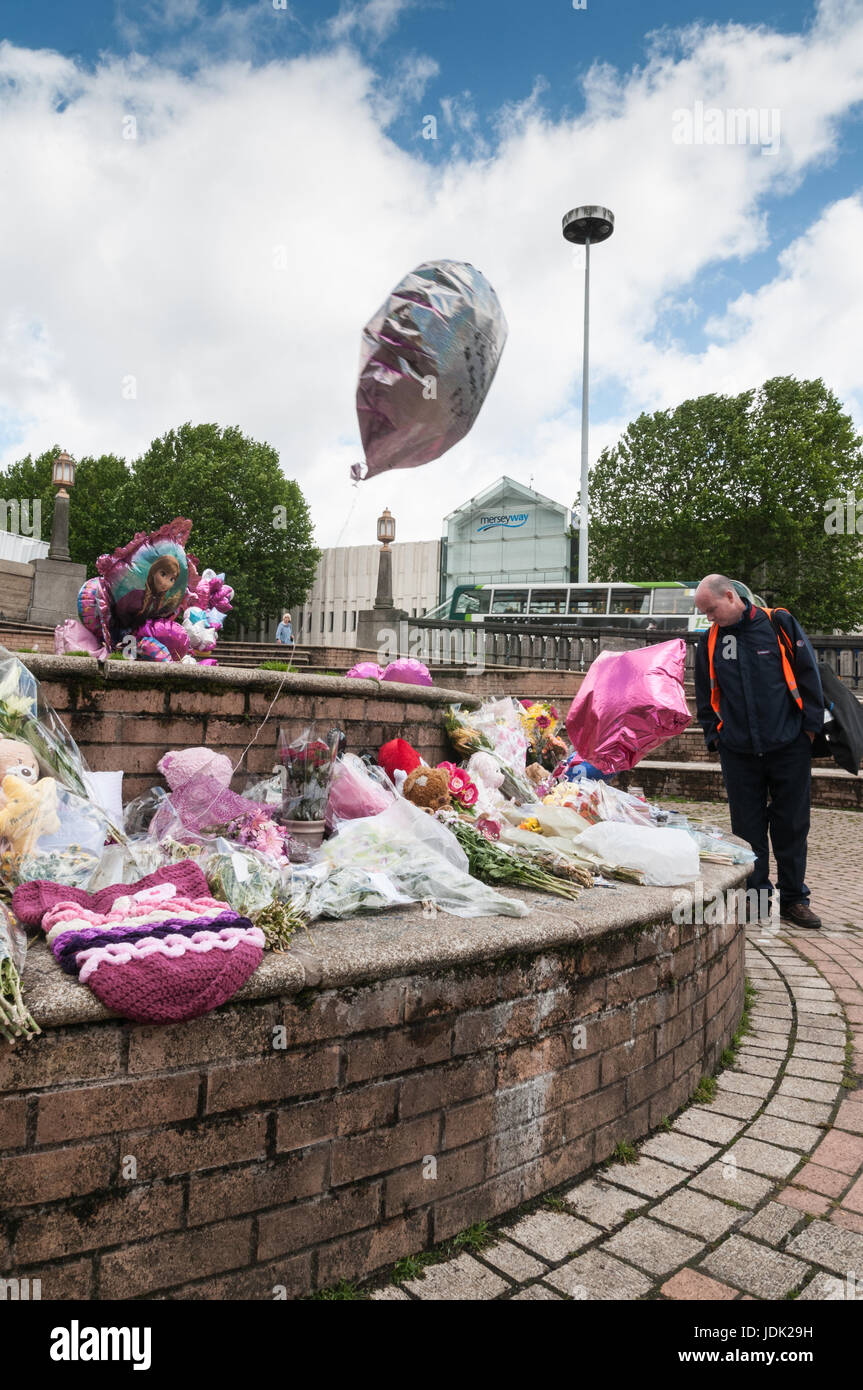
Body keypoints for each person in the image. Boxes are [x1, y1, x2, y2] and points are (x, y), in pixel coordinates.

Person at [693, 574, 824, 929]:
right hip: (738, 751)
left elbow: (809, 675)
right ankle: (757, 898)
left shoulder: (778, 622)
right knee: (747, 829)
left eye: (711, 609)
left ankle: (795, 899)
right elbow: (705, 695)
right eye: (704, 613)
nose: (709, 618)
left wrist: (808, 731)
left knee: (792, 825)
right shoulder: (709, 641)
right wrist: (714, 736)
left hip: (788, 746)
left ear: (731, 596)